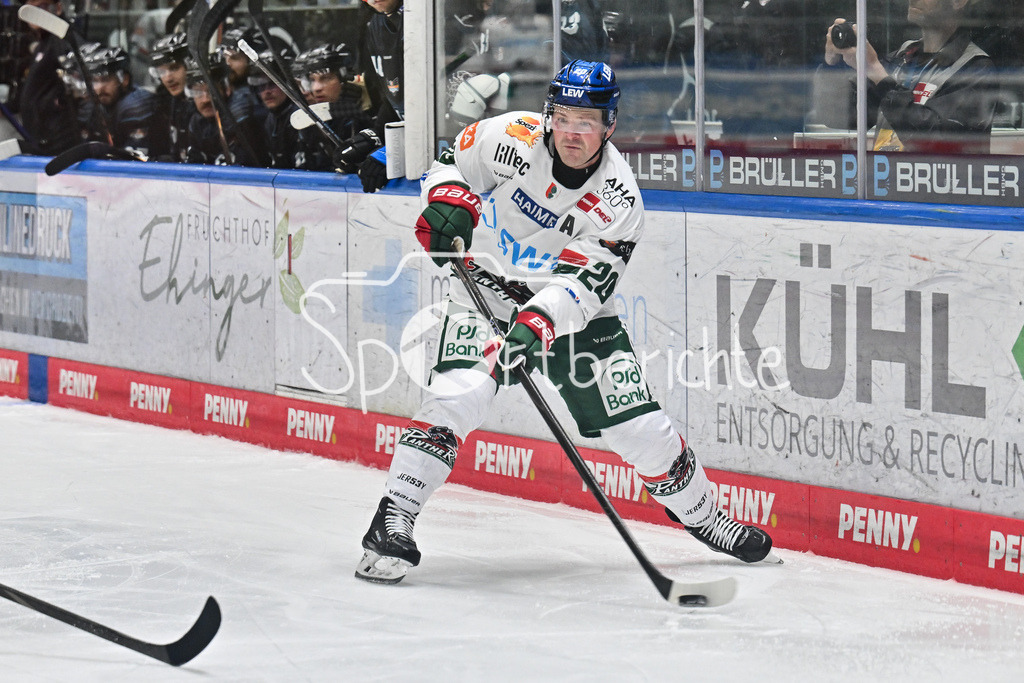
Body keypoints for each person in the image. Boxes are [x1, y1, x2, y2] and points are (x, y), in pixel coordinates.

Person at [354, 59, 774, 585]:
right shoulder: (509, 136)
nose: (573, 132)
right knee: (457, 397)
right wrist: (446, 201)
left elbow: (582, 286)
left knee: (640, 429)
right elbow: (449, 165)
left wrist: (537, 324)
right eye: (564, 118)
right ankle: (393, 518)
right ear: (549, 114)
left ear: (610, 125)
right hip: (485, 296)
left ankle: (706, 517)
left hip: (573, 317)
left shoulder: (620, 200)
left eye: (587, 122)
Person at [815, 0, 997, 154]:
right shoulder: (903, 57)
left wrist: (875, 71)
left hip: (933, 184)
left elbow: (940, 142)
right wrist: (833, 64)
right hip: (885, 178)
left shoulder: (976, 67)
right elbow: (839, 117)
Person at [332, 0, 404, 192]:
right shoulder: (376, 24)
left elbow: (444, 110)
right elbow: (395, 96)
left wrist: (396, 152)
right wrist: (375, 136)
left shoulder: (432, 18)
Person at [12, 0, 79, 155]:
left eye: (42, 6)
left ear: (58, 8)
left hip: (57, 141)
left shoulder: (63, 41)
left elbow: (79, 84)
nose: (35, 13)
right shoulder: (44, 42)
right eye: (30, 8)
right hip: (37, 137)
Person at [294, 42, 372, 171]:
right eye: (312, 80)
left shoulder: (369, 115)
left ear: (345, 78)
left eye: (326, 78)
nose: (316, 88)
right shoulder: (309, 117)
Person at [81, 46, 169, 158]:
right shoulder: (95, 107)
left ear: (125, 79)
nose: (99, 88)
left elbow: (135, 160)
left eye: (106, 79)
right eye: (95, 81)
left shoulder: (136, 105)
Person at [149, 32, 192, 162]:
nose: (168, 78)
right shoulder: (164, 104)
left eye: (174, 68)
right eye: (161, 71)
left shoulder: (207, 102)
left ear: (190, 65)